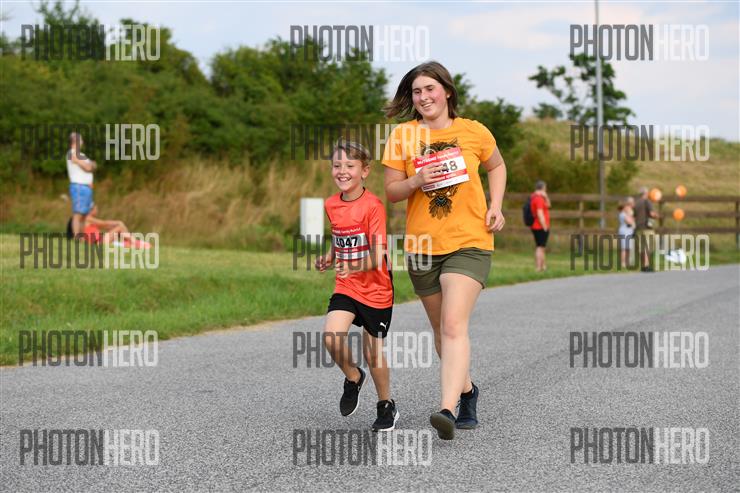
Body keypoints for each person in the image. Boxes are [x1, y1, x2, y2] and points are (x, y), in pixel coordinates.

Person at [382, 61, 506, 440]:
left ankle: (447, 410)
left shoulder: (473, 131)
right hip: (422, 246)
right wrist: (416, 180)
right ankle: (467, 391)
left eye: (430, 89)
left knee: (453, 325)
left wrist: (496, 205)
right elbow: (392, 191)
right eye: (417, 91)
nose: (423, 97)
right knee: (441, 332)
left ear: (447, 91)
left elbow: (497, 166)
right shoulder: (402, 135)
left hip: (470, 241)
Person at [314, 139, 399, 432]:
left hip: (376, 290)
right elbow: (340, 236)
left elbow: (377, 256)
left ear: (364, 171)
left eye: (349, 165)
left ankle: (386, 405)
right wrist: (330, 257)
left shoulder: (373, 206)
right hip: (347, 285)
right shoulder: (331, 204)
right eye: (336, 165)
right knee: (331, 337)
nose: (342, 171)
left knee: (373, 352)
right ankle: (353, 377)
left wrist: (352, 265)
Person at [67, 132, 97, 238]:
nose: (83, 142)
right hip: (79, 186)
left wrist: (89, 165)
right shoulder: (72, 153)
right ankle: (77, 237)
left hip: (86, 187)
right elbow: (89, 167)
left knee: (84, 215)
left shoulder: (81, 155)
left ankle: (82, 238)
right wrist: (89, 165)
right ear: (75, 141)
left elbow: (93, 165)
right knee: (78, 214)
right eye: (81, 140)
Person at [633, 187, 658, 272]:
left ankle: (643, 266)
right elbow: (652, 214)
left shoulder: (636, 203)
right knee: (648, 247)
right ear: (646, 193)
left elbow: (634, 216)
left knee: (641, 248)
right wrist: (656, 216)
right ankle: (647, 266)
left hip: (638, 228)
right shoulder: (647, 201)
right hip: (647, 227)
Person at [530, 180, 550, 272]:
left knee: (542, 247)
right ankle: (538, 267)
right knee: (539, 247)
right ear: (543, 188)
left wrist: (546, 197)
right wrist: (544, 226)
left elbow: (548, 205)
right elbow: (539, 213)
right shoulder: (538, 199)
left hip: (538, 226)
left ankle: (543, 266)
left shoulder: (536, 197)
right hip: (539, 226)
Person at [617, 197, 636, 268]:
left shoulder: (626, 214)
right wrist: (632, 217)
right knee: (624, 248)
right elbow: (629, 222)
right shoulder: (623, 214)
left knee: (628, 248)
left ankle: (627, 262)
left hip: (629, 232)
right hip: (624, 232)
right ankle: (623, 263)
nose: (628, 208)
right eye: (627, 207)